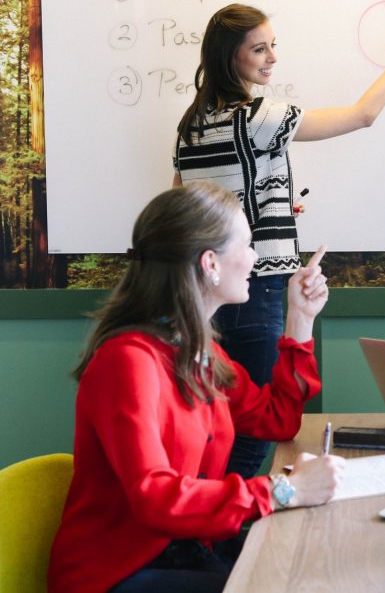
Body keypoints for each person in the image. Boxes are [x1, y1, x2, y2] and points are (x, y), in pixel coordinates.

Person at [173, 3, 385, 479]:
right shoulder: (257, 116)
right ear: (231, 57)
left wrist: (266, 209)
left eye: (273, 46)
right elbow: (363, 114)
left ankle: (209, 509)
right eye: (259, 49)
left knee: (215, 423)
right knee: (255, 435)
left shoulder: (191, 125)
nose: (272, 57)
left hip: (203, 291)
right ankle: (225, 520)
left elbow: (184, 205)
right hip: (256, 289)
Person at [48, 181, 345, 593]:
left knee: (307, 569)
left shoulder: (199, 351)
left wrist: (301, 316)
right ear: (210, 263)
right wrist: (285, 490)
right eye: (247, 245)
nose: (255, 258)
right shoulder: (128, 360)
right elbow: (155, 497)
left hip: (186, 551)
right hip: (118, 574)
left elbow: (277, 419)